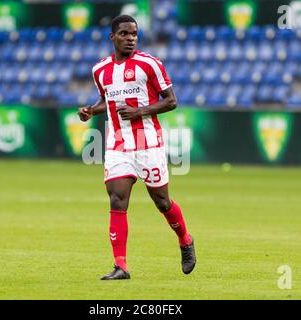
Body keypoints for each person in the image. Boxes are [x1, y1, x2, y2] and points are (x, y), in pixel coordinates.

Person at [78, 15, 196, 280]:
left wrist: (139, 111)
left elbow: (171, 101)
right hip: (118, 145)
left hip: (148, 144)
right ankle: (121, 266)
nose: (130, 38)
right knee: (117, 199)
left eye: (134, 34)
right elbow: (105, 101)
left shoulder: (149, 64)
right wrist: (90, 111)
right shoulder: (100, 70)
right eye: (124, 33)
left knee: (162, 202)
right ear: (113, 36)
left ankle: (185, 240)